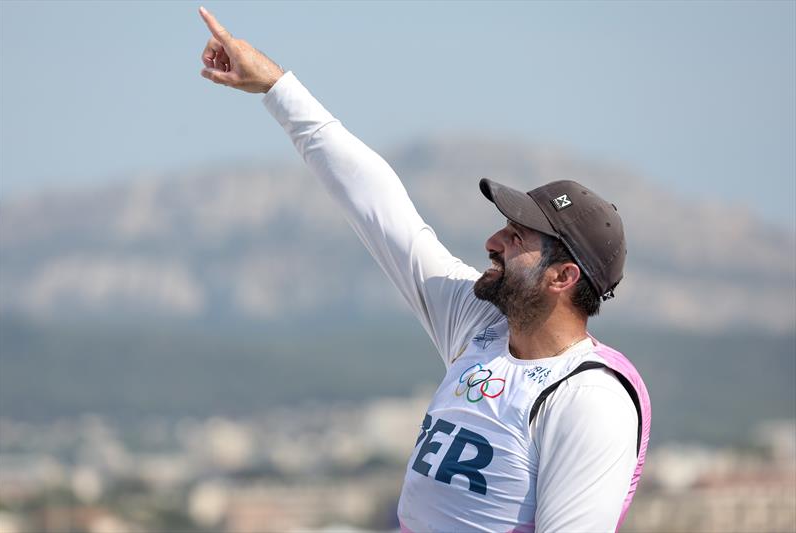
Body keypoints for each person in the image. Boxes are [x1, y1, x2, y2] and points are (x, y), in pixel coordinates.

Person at [198, 6, 651, 532]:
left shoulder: (589, 400)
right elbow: (379, 207)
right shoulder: (479, 323)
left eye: (517, 237)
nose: (493, 241)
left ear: (563, 277)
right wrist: (275, 86)